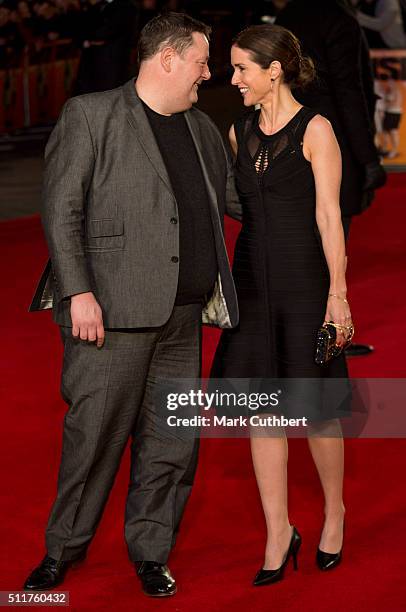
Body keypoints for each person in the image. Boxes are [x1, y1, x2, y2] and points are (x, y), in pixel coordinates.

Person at [25, 11, 241, 597]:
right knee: (92, 439)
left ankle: (151, 552)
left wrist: (303, 171)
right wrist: (78, 292)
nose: (208, 72)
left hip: (183, 318)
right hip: (109, 317)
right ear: (167, 58)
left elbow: (236, 202)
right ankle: (62, 550)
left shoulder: (202, 127)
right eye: (201, 60)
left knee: (172, 446)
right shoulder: (91, 115)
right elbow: (62, 209)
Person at [211, 24, 353, 585]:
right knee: (260, 412)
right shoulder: (236, 130)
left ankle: (335, 512)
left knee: (316, 409)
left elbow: (328, 217)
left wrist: (337, 295)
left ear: (274, 69)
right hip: (252, 283)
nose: (234, 77)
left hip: (304, 281)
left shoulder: (316, 130)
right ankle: (279, 530)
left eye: (242, 67)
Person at [276, 0, 387, 357]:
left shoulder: (290, 13)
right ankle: (326, 334)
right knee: (330, 242)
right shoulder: (338, 19)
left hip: (290, 137)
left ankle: (308, 335)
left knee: (305, 243)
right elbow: (349, 91)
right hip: (333, 141)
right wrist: (368, 158)